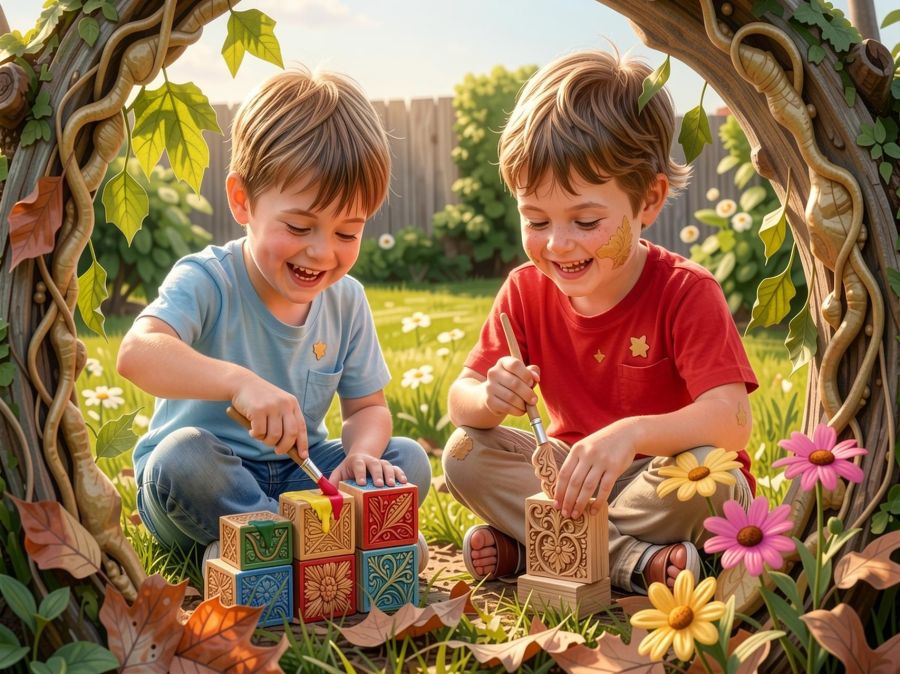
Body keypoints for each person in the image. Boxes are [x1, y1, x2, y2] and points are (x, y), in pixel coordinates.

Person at [442, 50, 757, 594]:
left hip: (658, 480)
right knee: (464, 453)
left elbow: (731, 421)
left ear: (649, 200)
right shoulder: (524, 289)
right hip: (569, 478)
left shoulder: (685, 291)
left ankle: (538, 547)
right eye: (535, 219)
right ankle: (633, 563)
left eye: (586, 220)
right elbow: (460, 400)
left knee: (713, 478)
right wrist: (488, 398)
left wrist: (632, 435)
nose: (558, 244)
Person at [118, 66, 431, 561]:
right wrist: (238, 382)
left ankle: (266, 545)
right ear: (243, 201)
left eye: (347, 233)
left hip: (298, 472)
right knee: (181, 457)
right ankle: (324, 543)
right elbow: (137, 353)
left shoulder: (346, 300)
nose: (322, 253)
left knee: (406, 459)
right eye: (299, 226)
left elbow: (367, 409)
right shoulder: (208, 279)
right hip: (209, 478)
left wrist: (363, 454)